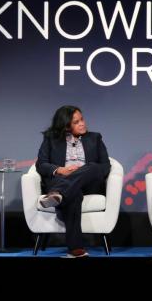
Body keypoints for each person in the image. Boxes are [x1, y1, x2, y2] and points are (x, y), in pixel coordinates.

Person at [36, 105, 111, 258]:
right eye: (76, 122)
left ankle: (58, 194)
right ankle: (76, 250)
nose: (82, 123)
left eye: (81, 119)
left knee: (93, 167)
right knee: (73, 194)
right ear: (66, 126)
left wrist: (80, 172)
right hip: (62, 179)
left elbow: (105, 166)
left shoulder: (95, 138)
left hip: (88, 182)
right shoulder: (51, 139)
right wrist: (59, 169)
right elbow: (41, 164)